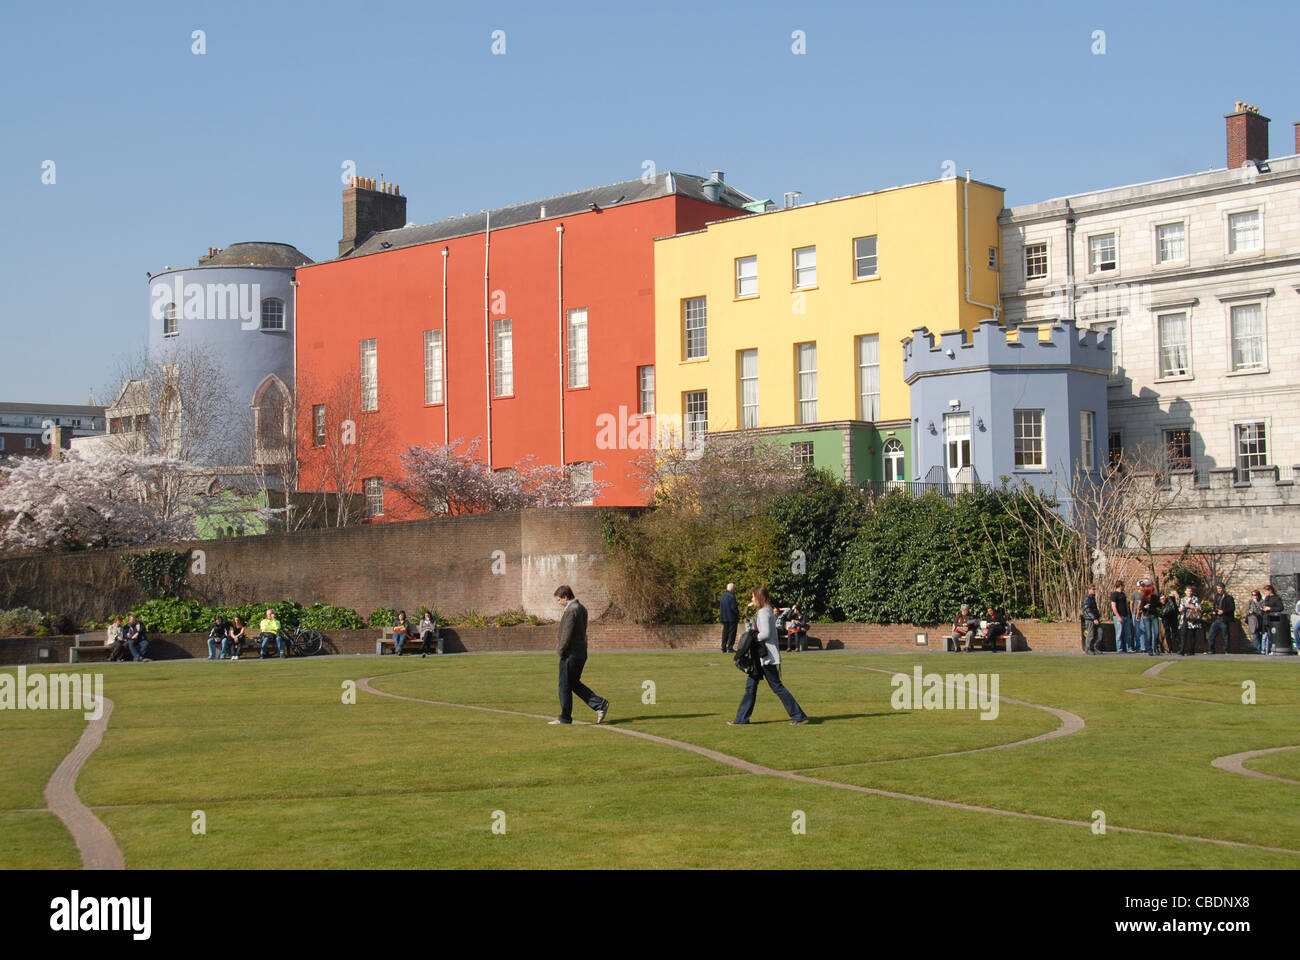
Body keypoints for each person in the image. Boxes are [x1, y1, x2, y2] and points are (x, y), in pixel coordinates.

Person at [730, 586, 808, 725]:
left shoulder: (764, 612)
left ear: (759, 597)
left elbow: (765, 634)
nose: (752, 599)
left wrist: (753, 637)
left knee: (776, 687)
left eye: (753, 596)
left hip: (765, 656)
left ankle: (798, 715)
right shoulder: (765, 611)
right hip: (760, 656)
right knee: (751, 687)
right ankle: (742, 718)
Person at [548, 585, 609, 726]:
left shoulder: (571, 610)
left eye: (559, 600)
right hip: (580, 653)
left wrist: (560, 651)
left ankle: (565, 717)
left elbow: (566, 635)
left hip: (571, 654)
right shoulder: (581, 608)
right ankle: (599, 704)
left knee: (564, 686)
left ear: (565, 597)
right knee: (573, 684)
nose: (558, 603)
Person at [1206, 583, 1235, 655]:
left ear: (1223, 588)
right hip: (1216, 619)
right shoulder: (1217, 597)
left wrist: (1223, 611)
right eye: (1217, 589)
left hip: (1224, 619)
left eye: (1220, 588)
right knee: (1211, 634)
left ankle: (1226, 650)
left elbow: (1232, 608)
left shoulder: (1228, 597)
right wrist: (1214, 612)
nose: (1219, 590)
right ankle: (1211, 650)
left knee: (1225, 635)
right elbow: (1215, 606)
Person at [1110, 580, 1133, 653]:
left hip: (1125, 615)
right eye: (1122, 585)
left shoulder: (1123, 594)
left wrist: (1128, 614)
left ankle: (1129, 648)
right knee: (1119, 633)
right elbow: (1113, 606)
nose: (1123, 587)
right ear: (1120, 586)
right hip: (1118, 616)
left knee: (1128, 633)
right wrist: (1118, 616)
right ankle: (1119, 648)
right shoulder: (1114, 594)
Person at [1138, 585, 1160, 657]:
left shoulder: (1155, 597)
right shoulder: (1144, 598)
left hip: (1154, 616)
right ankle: (1149, 649)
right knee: (1149, 633)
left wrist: (1162, 602)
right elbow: (1141, 608)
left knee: (1156, 632)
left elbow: (1158, 605)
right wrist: (1144, 607)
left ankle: (1156, 648)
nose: (1152, 593)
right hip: (1146, 616)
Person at [1179, 587, 1202, 656]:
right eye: (1188, 591)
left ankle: (1191, 651)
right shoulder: (1183, 599)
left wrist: (1191, 606)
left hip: (1192, 619)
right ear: (1185, 592)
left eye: (1190, 591)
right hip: (1184, 618)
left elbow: (1199, 608)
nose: (1189, 593)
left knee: (1191, 635)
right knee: (1183, 634)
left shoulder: (1195, 599)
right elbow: (1180, 609)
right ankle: (1182, 650)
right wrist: (1182, 608)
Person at [1261, 584, 1284, 654]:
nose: (1265, 593)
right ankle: (1267, 650)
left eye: (1266, 592)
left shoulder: (1276, 598)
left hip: (1274, 617)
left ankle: (1274, 649)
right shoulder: (1266, 598)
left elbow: (1281, 608)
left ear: (1270, 590)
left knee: (1273, 634)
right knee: (1267, 635)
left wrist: (1270, 608)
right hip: (1266, 618)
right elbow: (1263, 606)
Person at [1242, 590, 1264, 654]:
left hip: (1260, 620)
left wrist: (1256, 609)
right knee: (1255, 635)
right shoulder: (1250, 602)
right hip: (1252, 621)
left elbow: (1261, 611)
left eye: (1255, 595)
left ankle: (1262, 648)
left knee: (1261, 635)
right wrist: (1249, 612)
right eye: (1253, 595)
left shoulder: (1261, 601)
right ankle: (1258, 649)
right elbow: (1247, 610)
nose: (1254, 596)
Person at [719, 583, 740, 653]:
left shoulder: (722, 596)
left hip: (724, 617)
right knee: (732, 633)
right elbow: (734, 608)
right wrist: (738, 615)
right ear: (732, 588)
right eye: (734, 588)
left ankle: (723, 647)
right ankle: (730, 647)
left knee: (725, 633)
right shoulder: (732, 596)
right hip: (732, 618)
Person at [1081, 587, 1101, 655]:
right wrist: (1093, 618)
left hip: (1095, 618)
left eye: (1095, 589)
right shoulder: (1087, 598)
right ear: (1088, 589)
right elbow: (1087, 610)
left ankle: (1095, 647)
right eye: (1093, 589)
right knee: (1091, 634)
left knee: (1099, 633)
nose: (1094, 590)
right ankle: (1088, 649)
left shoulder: (1092, 598)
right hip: (1090, 619)